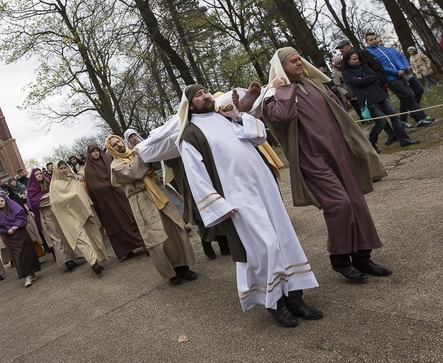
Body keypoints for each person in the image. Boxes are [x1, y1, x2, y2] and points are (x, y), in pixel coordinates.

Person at [178, 84, 321, 327]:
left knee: (284, 239)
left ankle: (296, 298)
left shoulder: (225, 117)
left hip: (263, 188)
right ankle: (275, 303)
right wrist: (218, 205)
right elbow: (195, 175)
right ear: (190, 105)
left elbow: (258, 137)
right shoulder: (189, 135)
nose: (205, 96)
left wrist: (239, 116)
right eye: (198, 95)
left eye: (205, 92)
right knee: (266, 246)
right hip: (237, 197)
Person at [262, 47, 392, 283]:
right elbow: (281, 117)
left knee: (356, 203)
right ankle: (341, 259)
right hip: (312, 158)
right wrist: (282, 89)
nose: (299, 63)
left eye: (300, 58)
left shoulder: (315, 85)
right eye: (293, 62)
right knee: (338, 205)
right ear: (281, 67)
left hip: (339, 152)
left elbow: (339, 112)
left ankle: (363, 256)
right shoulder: (273, 94)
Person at [107, 135, 198, 285]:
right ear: (111, 149)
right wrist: (141, 155)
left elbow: (154, 164)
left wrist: (147, 152)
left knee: (174, 229)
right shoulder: (115, 165)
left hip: (158, 193)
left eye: (119, 141)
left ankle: (183, 266)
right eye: (114, 145)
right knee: (156, 238)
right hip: (141, 201)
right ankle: (171, 272)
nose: (119, 145)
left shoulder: (135, 154)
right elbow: (132, 172)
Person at [342, 51, 420, 152]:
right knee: (381, 122)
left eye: (357, 58)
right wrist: (366, 79)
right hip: (367, 99)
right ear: (348, 61)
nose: (357, 61)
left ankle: (403, 138)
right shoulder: (347, 73)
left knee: (394, 116)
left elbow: (374, 76)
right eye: (354, 59)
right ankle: (372, 142)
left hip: (380, 94)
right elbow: (357, 82)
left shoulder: (364, 66)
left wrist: (365, 79)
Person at [81, 143, 144, 260]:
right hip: (106, 201)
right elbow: (93, 186)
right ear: (89, 154)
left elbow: (117, 173)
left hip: (118, 194)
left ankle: (142, 242)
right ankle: (126, 249)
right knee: (116, 222)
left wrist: (113, 183)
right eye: (93, 151)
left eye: (97, 150)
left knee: (129, 217)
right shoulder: (89, 169)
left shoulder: (107, 160)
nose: (96, 153)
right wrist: (106, 185)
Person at [364, 33, 436, 128]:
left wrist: (403, 68)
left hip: (400, 75)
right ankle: (417, 119)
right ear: (367, 42)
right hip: (390, 78)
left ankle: (417, 118)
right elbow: (380, 67)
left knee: (408, 96)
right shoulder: (369, 53)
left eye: (374, 39)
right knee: (406, 96)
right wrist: (396, 72)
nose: (373, 41)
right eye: (370, 40)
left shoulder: (384, 49)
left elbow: (396, 59)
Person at [49, 161, 108, 275]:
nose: (63, 170)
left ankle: (99, 257)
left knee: (93, 234)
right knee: (81, 238)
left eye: (65, 167)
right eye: (60, 168)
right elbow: (56, 202)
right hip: (69, 215)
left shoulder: (73, 179)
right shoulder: (55, 185)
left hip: (83, 211)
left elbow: (82, 194)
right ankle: (93, 262)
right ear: (56, 170)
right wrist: (71, 198)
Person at [0, 191, 41, 287]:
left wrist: (17, 226)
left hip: (22, 234)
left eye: (2, 201)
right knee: (18, 257)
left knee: (28, 253)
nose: (0, 203)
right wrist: (7, 231)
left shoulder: (15, 209)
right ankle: (25, 276)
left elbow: (22, 217)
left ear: (6, 201)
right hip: (11, 238)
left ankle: (32, 273)